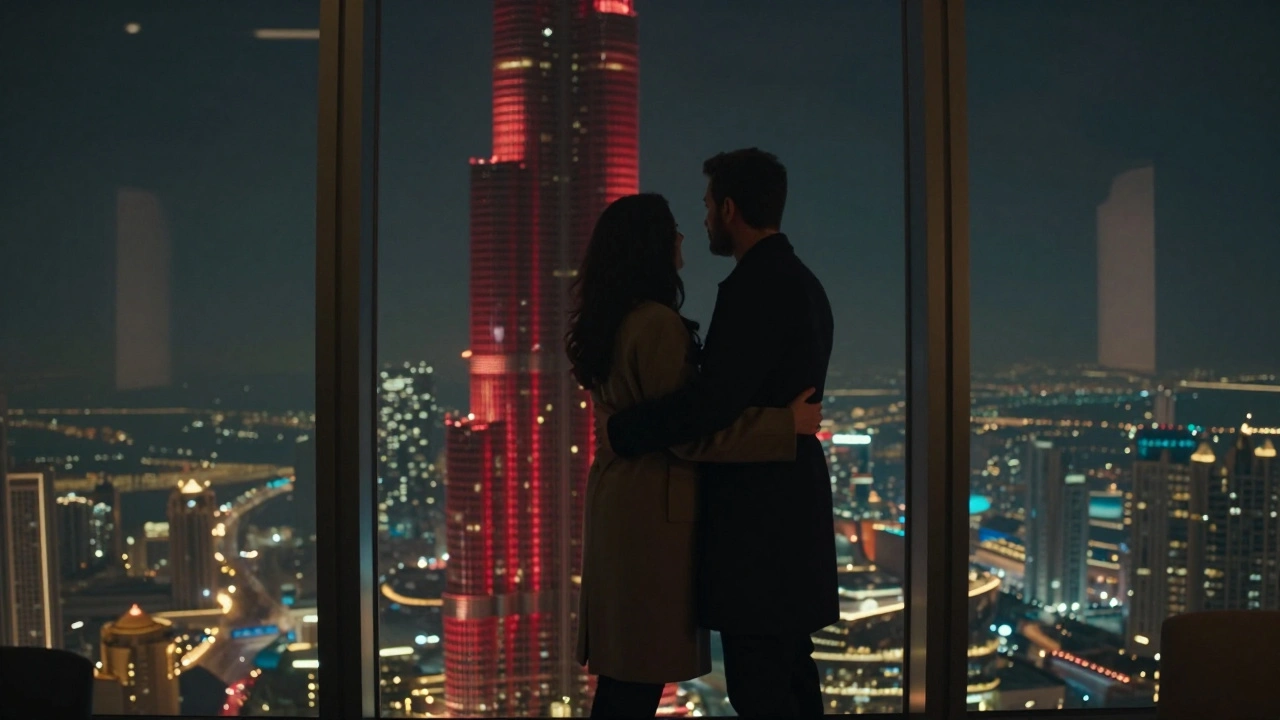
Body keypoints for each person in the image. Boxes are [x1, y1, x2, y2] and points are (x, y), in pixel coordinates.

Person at [599, 149, 837, 717]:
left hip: (760, 527)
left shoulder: (755, 288)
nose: (703, 219)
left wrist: (626, 428)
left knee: (764, 686)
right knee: (786, 678)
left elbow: (711, 406)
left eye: (707, 205)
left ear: (729, 208)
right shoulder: (802, 281)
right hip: (787, 518)